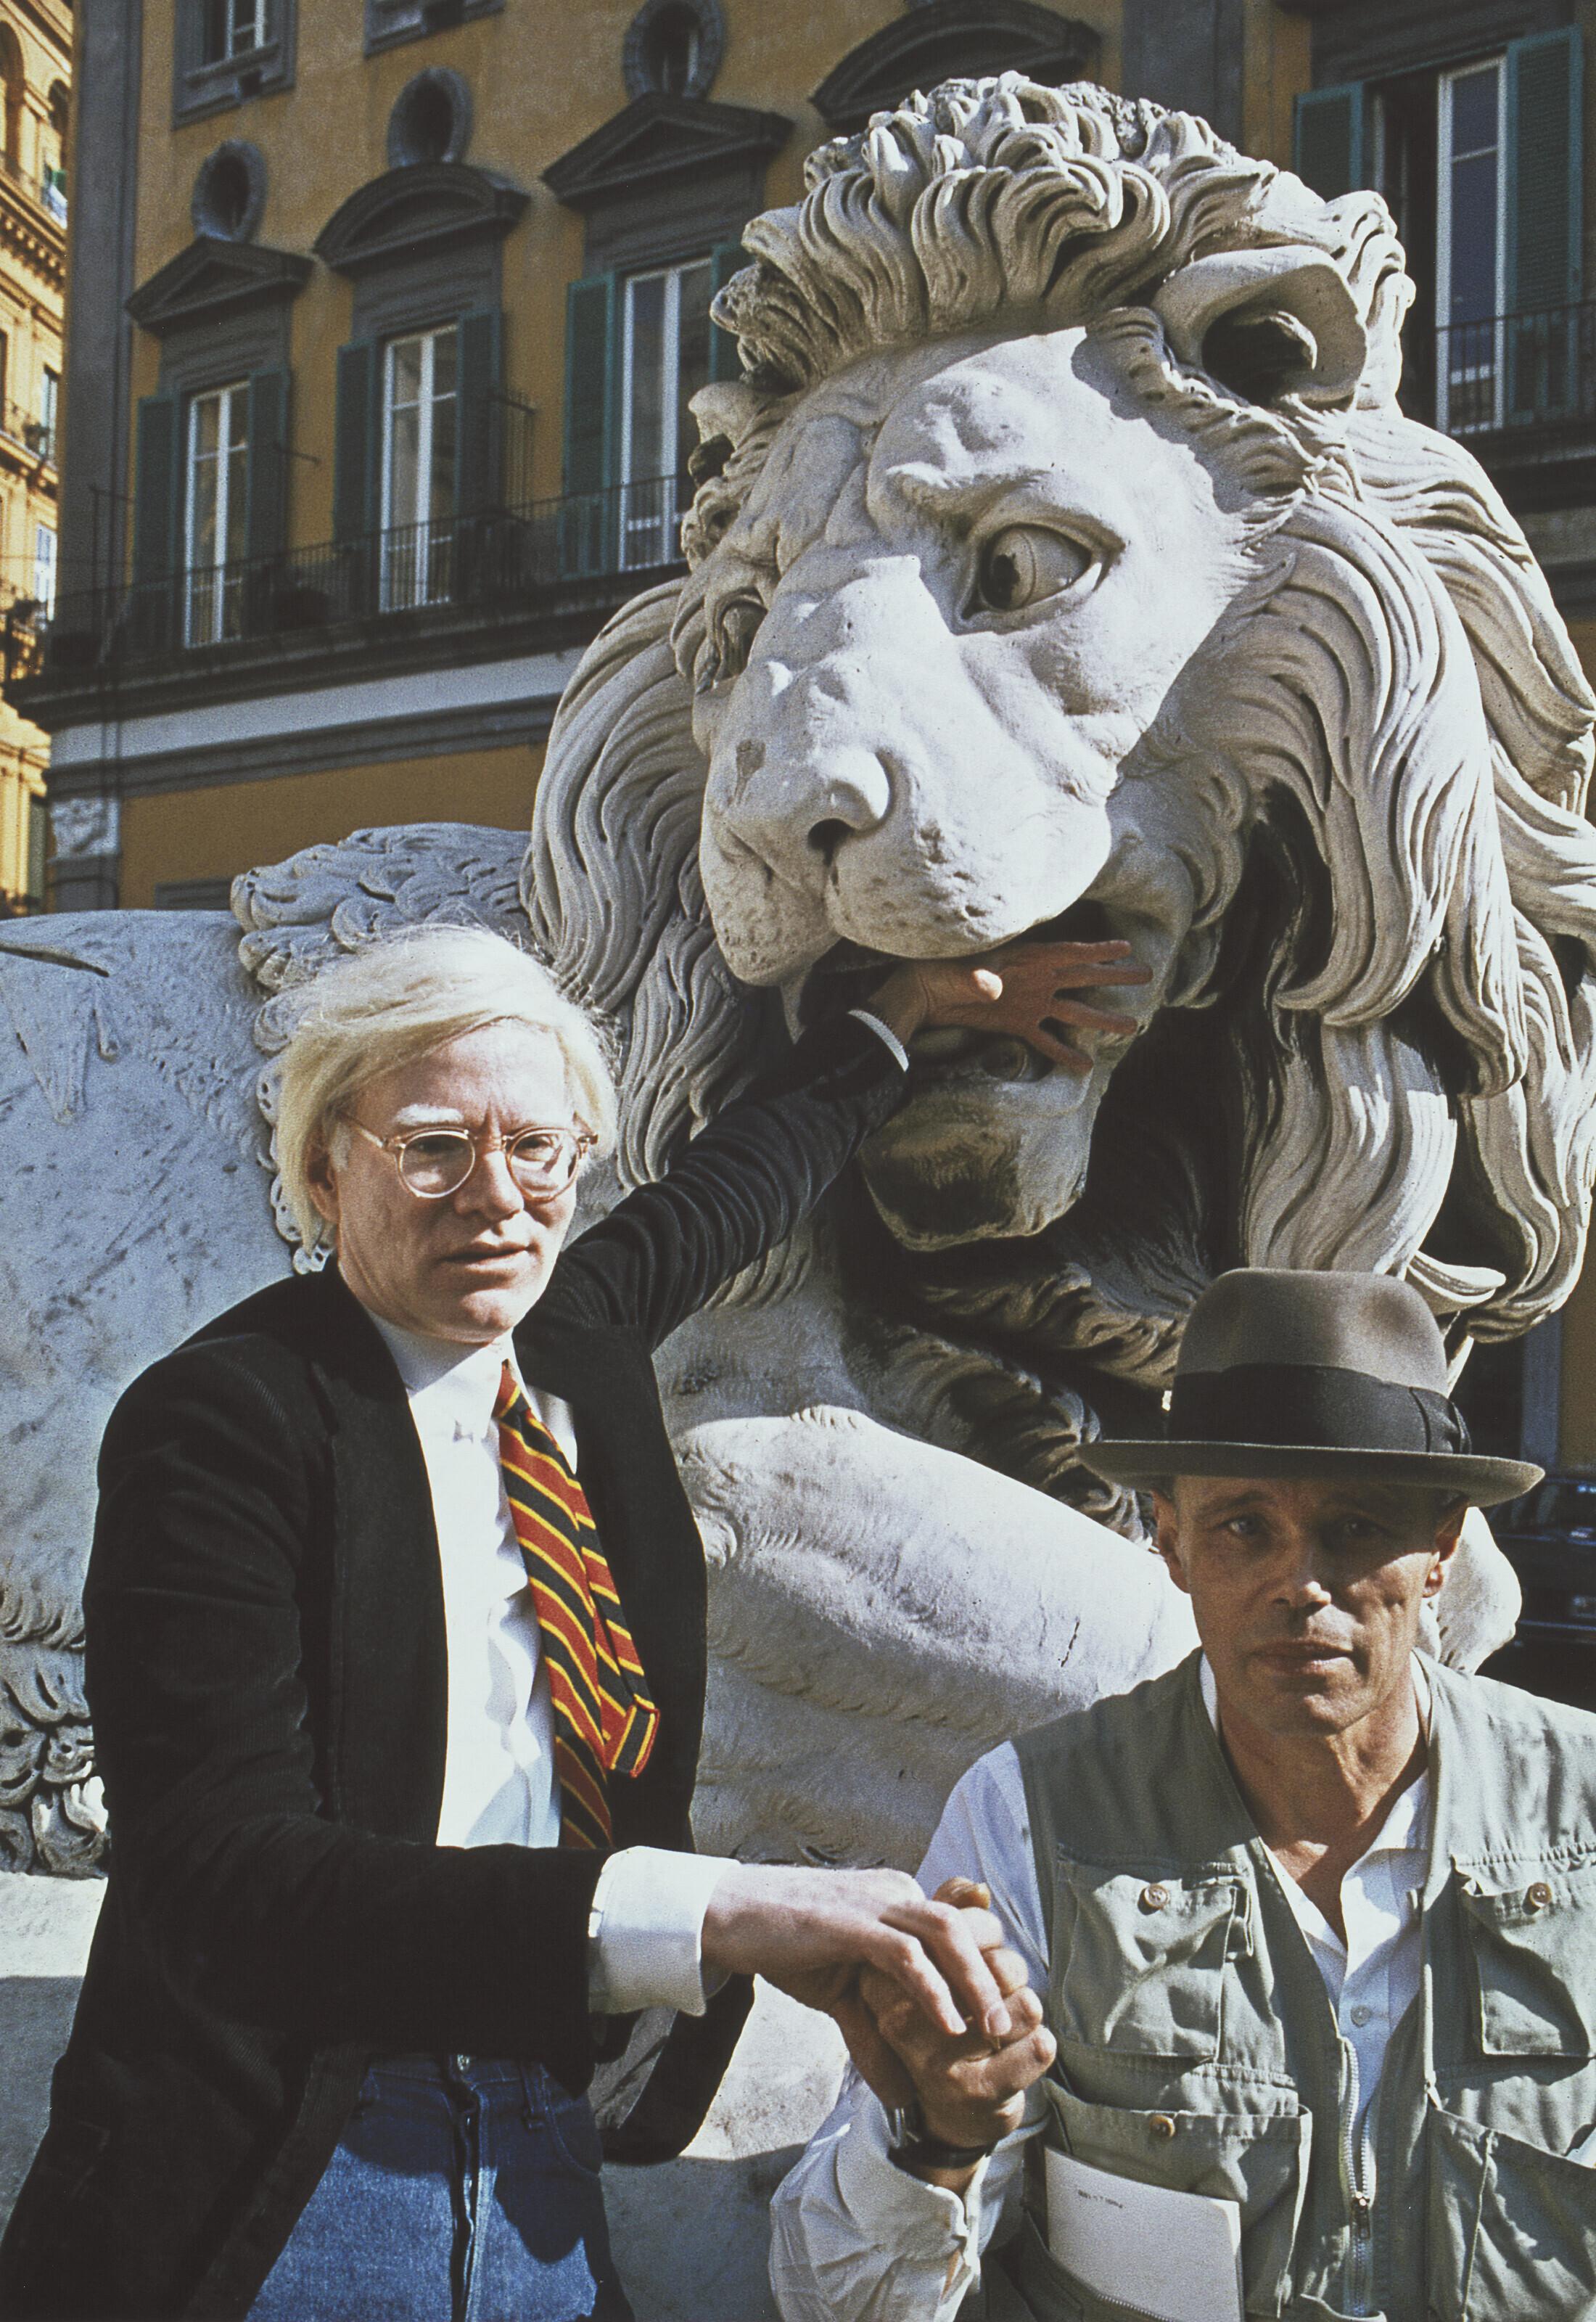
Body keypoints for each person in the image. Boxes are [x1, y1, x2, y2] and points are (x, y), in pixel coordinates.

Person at [0, 920, 1146, 2322]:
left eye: (539, 1151)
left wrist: (901, 1016)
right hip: (283, 2173)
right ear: (322, 1171)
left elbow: (729, 1190)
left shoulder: (573, 1352)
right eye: (433, 1148)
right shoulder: (221, 1424)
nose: (497, 1198)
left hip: (545, 2157)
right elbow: (230, 1881)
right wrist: (720, 1912)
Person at [771, 1266, 1596, 2321]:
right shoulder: (1030, 1819)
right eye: (1245, 1528)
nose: (1301, 1582)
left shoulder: (1581, 1816)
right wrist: (933, 2142)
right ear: (1170, 1541)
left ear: (1439, 1548)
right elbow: (834, 2302)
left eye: (1354, 1527)